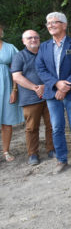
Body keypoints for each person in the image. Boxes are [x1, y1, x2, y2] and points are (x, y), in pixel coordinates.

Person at [35, 12, 71, 174]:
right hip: (52, 93)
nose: (50, 25)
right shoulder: (44, 46)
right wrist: (56, 84)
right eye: (48, 23)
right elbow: (40, 69)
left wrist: (65, 86)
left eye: (54, 22)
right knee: (57, 127)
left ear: (64, 25)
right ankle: (61, 159)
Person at [11, 30, 54, 165]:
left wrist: (45, 87)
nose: (33, 40)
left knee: (52, 125)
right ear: (23, 41)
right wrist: (35, 88)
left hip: (49, 95)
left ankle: (52, 149)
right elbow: (16, 76)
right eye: (29, 38)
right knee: (31, 127)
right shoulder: (19, 56)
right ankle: (33, 154)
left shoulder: (46, 53)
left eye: (36, 37)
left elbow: (54, 71)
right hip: (30, 97)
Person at [0, 24, 24, 161]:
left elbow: (17, 69)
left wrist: (14, 90)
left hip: (7, 87)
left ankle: (6, 151)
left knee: (6, 121)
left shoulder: (10, 48)